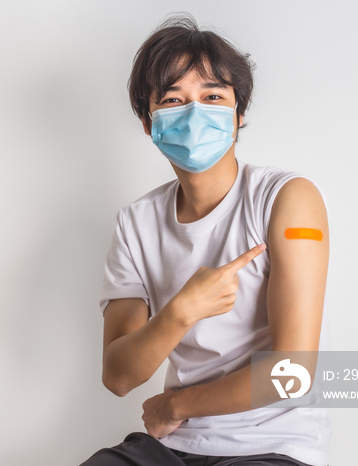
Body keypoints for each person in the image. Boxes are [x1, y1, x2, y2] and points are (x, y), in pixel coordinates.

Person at [81, 14, 331, 466]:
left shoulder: (286, 199)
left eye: (212, 96)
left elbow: (292, 374)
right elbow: (118, 376)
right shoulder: (136, 223)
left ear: (238, 114)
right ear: (148, 122)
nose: (195, 114)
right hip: (173, 447)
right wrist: (181, 311)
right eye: (173, 100)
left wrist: (176, 404)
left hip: (271, 445)